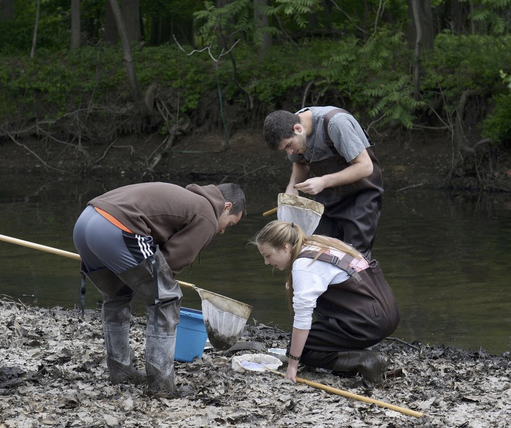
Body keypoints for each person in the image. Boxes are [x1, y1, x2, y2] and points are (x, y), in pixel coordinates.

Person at [73, 182, 246, 398]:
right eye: (229, 224)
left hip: (85, 222)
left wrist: (145, 280)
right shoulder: (207, 214)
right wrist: (158, 287)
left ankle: (120, 372)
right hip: (118, 226)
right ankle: (161, 385)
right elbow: (170, 263)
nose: (221, 231)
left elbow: (156, 264)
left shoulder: (186, 197)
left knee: (117, 296)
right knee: (167, 300)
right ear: (227, 206)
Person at [251, 220, 399, 388]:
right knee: (311, 339)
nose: (266, 262)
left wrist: (293, 365)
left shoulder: (303, 265)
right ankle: (349, 363)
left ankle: (365, 360)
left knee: (301, 349)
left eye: (268, 255)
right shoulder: (317, 241)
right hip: (387, 313)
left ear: (285, 247)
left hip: (368, 322)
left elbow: (302, 319)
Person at [263, 107, 384, 259]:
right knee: (318, 253)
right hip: (329, 196)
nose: (290, 153)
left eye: (288, 146)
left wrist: (323, 181)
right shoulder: (291, 127)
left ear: (298, 128)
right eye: (284, 150)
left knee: (353, 259)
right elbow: (301, 162)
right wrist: (292, 188)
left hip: (361, 194)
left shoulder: (336, 123)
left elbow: (365, 167)